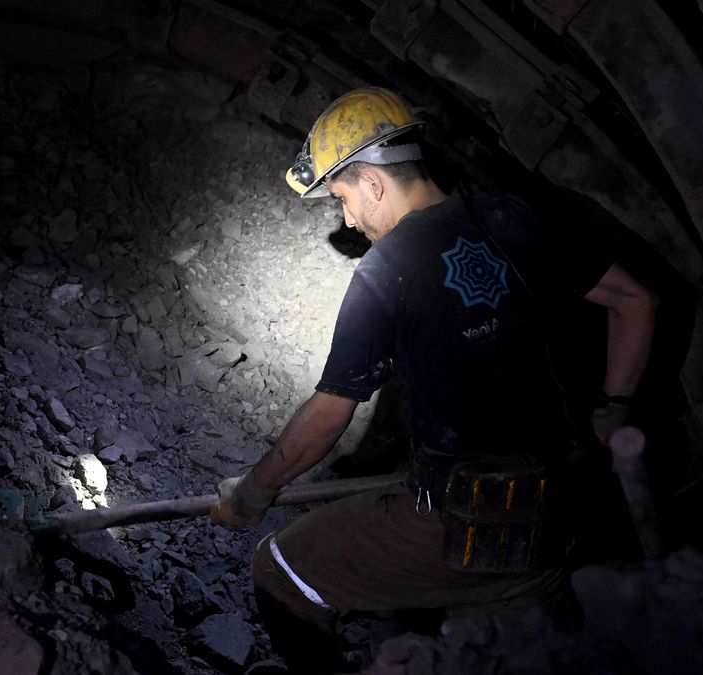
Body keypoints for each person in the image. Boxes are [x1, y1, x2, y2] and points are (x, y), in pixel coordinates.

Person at [210, 88, 657, 672]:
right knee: (493, 651)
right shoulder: (512, 215)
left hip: (459, 522)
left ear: (373, 183)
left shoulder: (385, 271)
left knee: (280, 569)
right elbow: (635, 300)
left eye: (343, 197)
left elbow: (327, 415)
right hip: (553, 515)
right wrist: (613, 407)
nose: (347, 218)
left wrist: (251, 494)